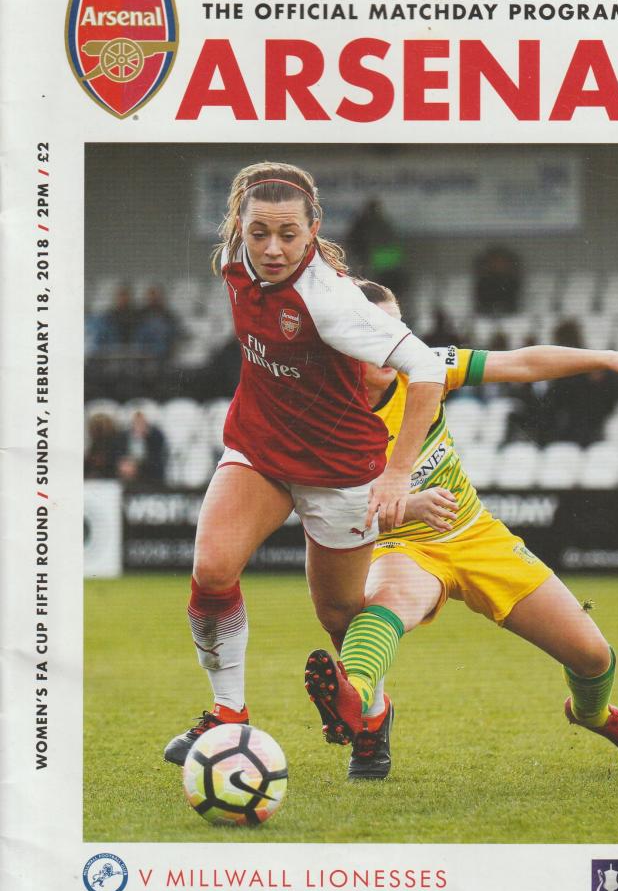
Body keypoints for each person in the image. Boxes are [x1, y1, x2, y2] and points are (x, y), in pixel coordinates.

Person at [304, 280, 618, 780]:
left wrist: (607, 358)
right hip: (400, 545)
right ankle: (358, 703)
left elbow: (521, 363)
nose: (392, 343)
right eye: (375, 332)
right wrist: (407, 507)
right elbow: (328, 508)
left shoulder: (425, 366)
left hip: (475, 534)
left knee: (592, 657)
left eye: (398, 329)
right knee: (384, 606)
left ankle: (593, 714)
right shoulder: (319, 411)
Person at [163, 163, 446, 765]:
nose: (272, 248)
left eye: (288, 234)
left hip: (340, 470)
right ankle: (228, 715)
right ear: (238, 226)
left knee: (339, 616)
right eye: (259, 232)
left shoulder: (333, 301)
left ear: (314, 229)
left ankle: (371, 715)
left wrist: (397, 475)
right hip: (260, 450)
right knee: (212, 570)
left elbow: (427, 369)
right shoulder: (234, 261)